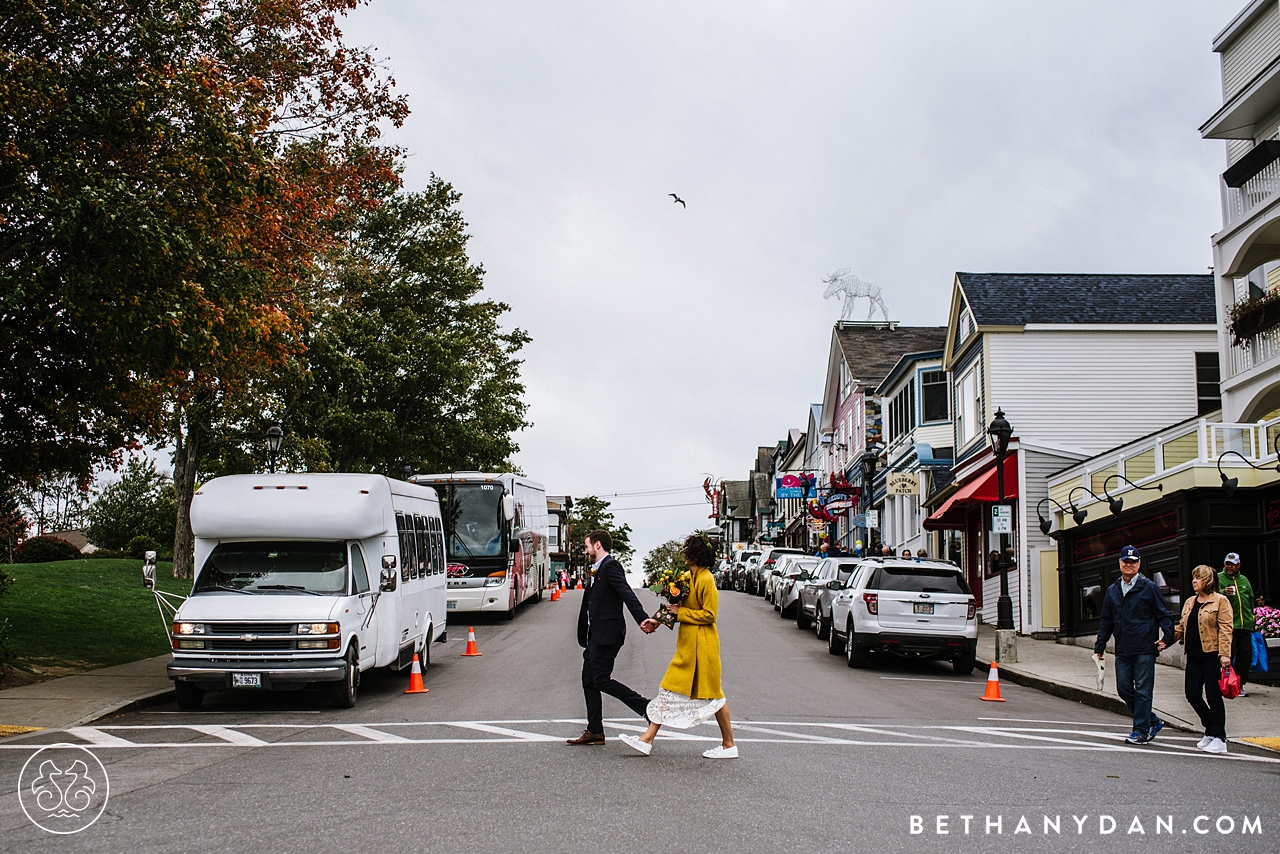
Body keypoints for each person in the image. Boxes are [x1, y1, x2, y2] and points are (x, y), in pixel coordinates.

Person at [620, 533, 738, 759]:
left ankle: (727, 744)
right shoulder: (687, 577)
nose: (684, 553)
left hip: (702, 647)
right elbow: (673, 607)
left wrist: (680, 613)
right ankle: (726, 744)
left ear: (696, 555)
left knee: (710, 695)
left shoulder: (706, 579)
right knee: (689, 693)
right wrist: (655, 620)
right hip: (688, 647)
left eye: (688, 550)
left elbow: (709, 615)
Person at [567, 530, 658, 746]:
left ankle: (646, 707)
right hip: (594, 635)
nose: (585, 550)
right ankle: (595, 730)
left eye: (587, 545)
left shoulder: (610, 566)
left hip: (607, 635)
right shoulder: (597, 570)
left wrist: (642, 618)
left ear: (597, 545)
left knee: (600, 679)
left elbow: (627, 593)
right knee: (589, 680)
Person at [1094, 545, 1176, 745]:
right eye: (1125, 562)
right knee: (1123, 688)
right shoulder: (1113, 591)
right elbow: (1106, 620)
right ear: (1120, 563)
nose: (1129, 565)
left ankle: (1140, 730)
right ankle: (1152, 720)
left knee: (1143, 690)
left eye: (1133, 562)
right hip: (1123, 648)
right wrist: (1100, 645)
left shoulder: (1149, 588)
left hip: (1145, 648)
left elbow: (1163, 614)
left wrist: (1167, 637)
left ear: (1139, 564)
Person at [1174, 565, 1234, 755]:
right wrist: (1164, 641)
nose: (1194, 581)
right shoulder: (1190, 602)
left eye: (1197, 578)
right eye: (1193, 578)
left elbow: (1226, 629)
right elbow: (1181, 628)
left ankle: (1220, 738)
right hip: (1193, 655)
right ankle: (1210, 728)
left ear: (1207, 580)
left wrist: (1225, 654)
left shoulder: (1220, 601)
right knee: (1191, 694)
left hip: (1212, 655)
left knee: (1213, 696)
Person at [1217, 552, 1258, 696]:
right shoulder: (1219, 578)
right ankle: (1223, 682)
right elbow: (1211, 596)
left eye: (1233, 564)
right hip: (1228, 625)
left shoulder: (1244, 580)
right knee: (1227, 654)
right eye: (1227, 564)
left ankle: (1239, 685)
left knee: (1245, 655)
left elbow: (1250, 599)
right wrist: (1223, 592)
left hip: (1244, 625)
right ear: (1224, 564)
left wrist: (1251, 618)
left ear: (1238, 565)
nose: (1229, 567)